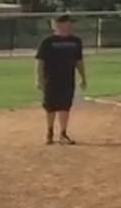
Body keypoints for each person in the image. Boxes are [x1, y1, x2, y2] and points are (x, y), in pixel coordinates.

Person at [33, 13, 87, 144]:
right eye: (68, 23)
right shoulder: (48, 42)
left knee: (65, 105)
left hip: (67, 78)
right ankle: (50, 132)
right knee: (50, 106)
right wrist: (38, 79)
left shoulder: (76, 41)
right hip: (50, 78)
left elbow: (79, 61)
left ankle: (63, 133)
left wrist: (83, 77)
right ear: (59, 24)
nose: (71, 25)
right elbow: (40, 61)